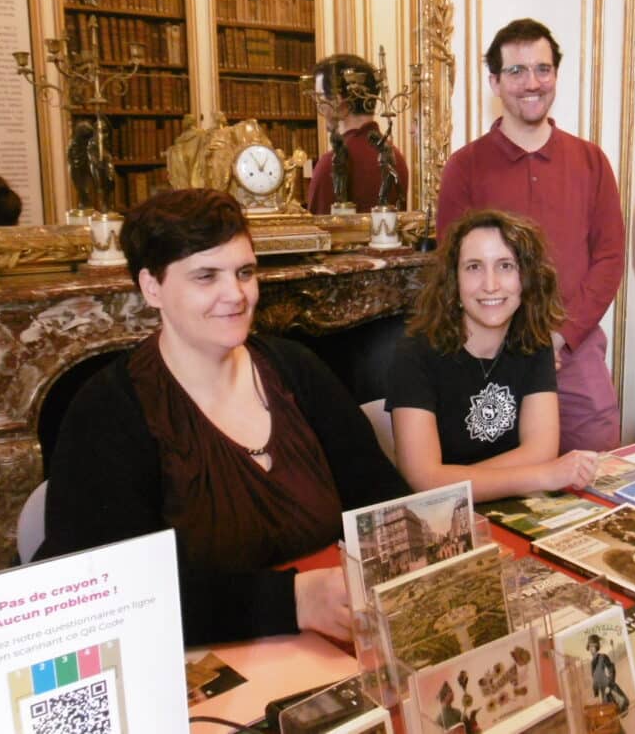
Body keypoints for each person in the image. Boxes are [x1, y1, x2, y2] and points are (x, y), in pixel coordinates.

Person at [36, 189, 411, 645]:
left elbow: (384, 504)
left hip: (332, 645)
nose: (235, 295)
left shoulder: (298, 369)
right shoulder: (108, 412)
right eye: (205, 276)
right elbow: (112, 597)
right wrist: (291, 599)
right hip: (201, 664)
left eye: (244, 272)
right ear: (151, 287)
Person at [437, 18, 624, 453]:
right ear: (495, 82)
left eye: (542, 69)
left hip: (575, 352)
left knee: (597, 476)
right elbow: (453, 265)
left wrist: (560, 336)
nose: (531, 83)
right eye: (516, 71)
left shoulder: (591, 160)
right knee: (508, 489)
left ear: (556, 75)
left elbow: (610, 257)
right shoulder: (464, 167)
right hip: (493, 357)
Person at [387, 209, 599, 502]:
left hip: (505, 505)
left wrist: (454, 481)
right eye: (474, 267)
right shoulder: (413, 354)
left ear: (526, 278)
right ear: (453, 280)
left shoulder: (535, 342)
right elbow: (423, 479)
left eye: (505, 266)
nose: (490, 284)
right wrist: (544, 475)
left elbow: (542, 450)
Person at [308, 53, 410, 214]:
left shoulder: (331, 164)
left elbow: (317, 234)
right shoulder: (396, 158)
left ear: (337, 100)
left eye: (320, 98)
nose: (318, 106)